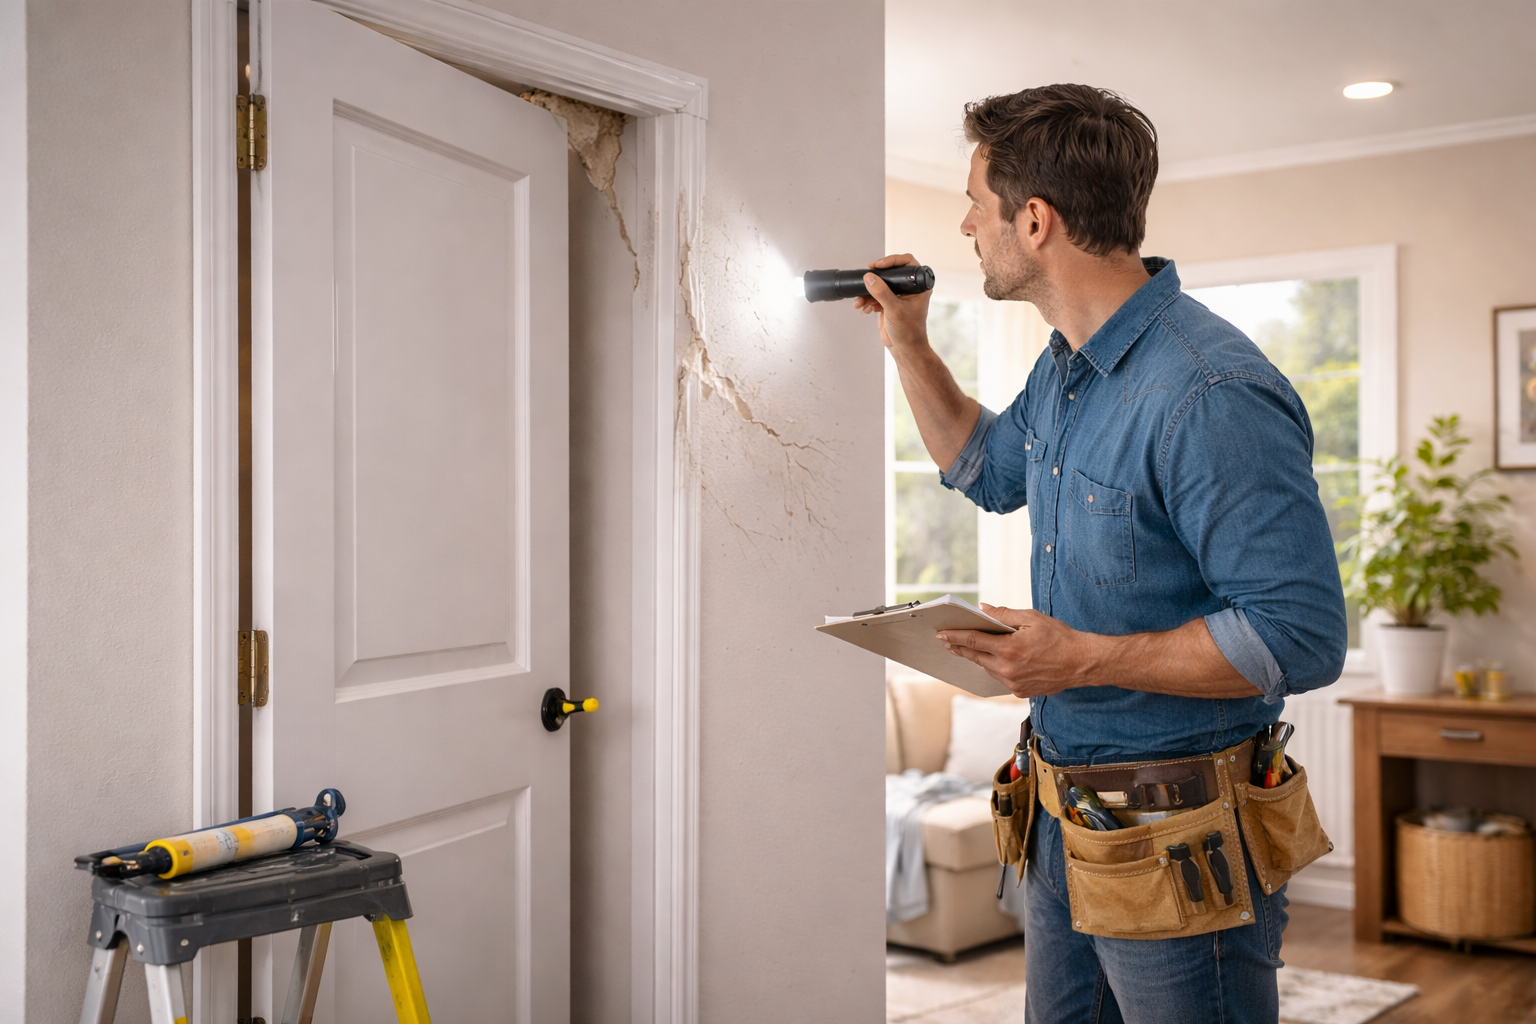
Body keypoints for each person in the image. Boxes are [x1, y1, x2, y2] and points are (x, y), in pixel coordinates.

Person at [855, 84, 1347, 1024]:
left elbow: (1300, 635)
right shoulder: (1065, 369)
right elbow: (986, 469)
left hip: (1179, 837)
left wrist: (1079, 657)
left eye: (976, 202)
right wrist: (908, 345)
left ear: (1034, 220)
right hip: (1061, 822)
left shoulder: (1210, 391)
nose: (965, 223)